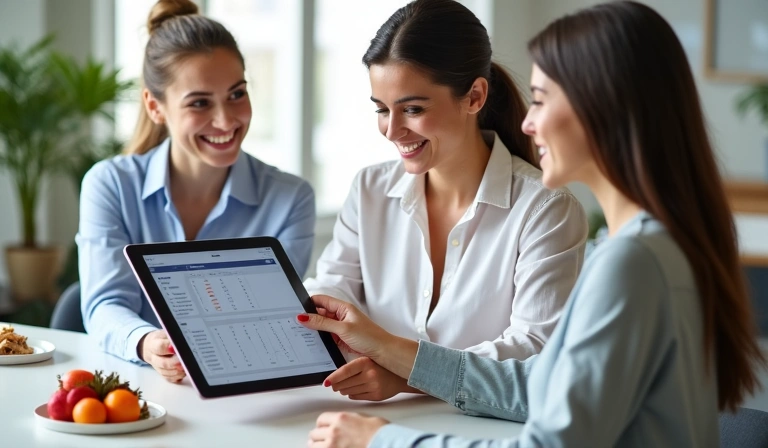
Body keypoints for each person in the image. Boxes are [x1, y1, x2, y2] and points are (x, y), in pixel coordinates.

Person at [299, 1, 768, 446]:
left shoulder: (630, 261)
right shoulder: (643, 246)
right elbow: (540, 386)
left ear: (602, 111)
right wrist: (394, 360)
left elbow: (552, 439)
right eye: (382, 109)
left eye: (541, 100)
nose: (525, 123)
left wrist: (383, 439)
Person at [302, 0, 587, 401]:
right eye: (382, 110)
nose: (392, 130)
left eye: (413, 109)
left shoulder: (546, 209)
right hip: (374, 425)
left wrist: (404, 373)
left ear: (474, 97)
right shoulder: (370, 189)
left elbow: (533, 351)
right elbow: (332, 292)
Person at [77, 0, 315, 382]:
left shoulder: (290, 199)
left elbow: (270, 320)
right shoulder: (111, 185)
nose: (226, 120)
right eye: (200, 103)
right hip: (139, 386)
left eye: (237, 94)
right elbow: (105, 305)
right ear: (155, 107)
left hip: (243, 391)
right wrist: (146, 342)